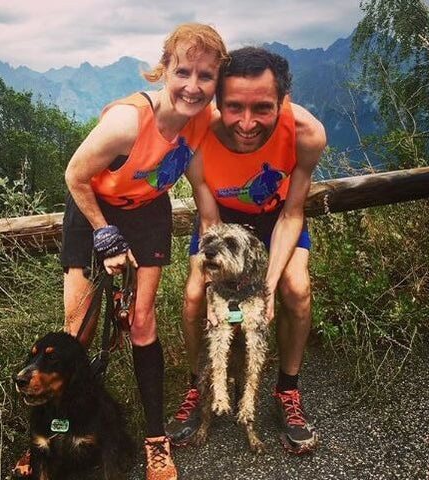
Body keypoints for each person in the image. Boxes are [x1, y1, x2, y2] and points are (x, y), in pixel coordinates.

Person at [60, 23, 227, 480]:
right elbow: (74, 175)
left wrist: (214, 263)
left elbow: (202, 191)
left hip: (147, 211)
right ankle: (54, 438)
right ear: (164, 70)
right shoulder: (127, 122)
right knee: (78, 330)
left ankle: (156, 439)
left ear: (217, 81)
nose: (193, 86)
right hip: (91, 207)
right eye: (183, 72)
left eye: (206, 76)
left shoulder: (200, 123)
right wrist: (103, 234)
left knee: (141, 321)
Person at [165, 46, 326, 454]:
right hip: (220, 223)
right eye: (234, 106)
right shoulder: (197, 136)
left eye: (263, 108)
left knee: (296, 290)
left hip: (276, 219)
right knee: (194, 295)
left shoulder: (306, 134)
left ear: (283, 101)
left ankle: (286, 389)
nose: (247, 122)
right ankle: (197, 383)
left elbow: (293, 213)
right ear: (218, 101)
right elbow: (207, 216)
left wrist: (266, 284)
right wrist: (218, 280)